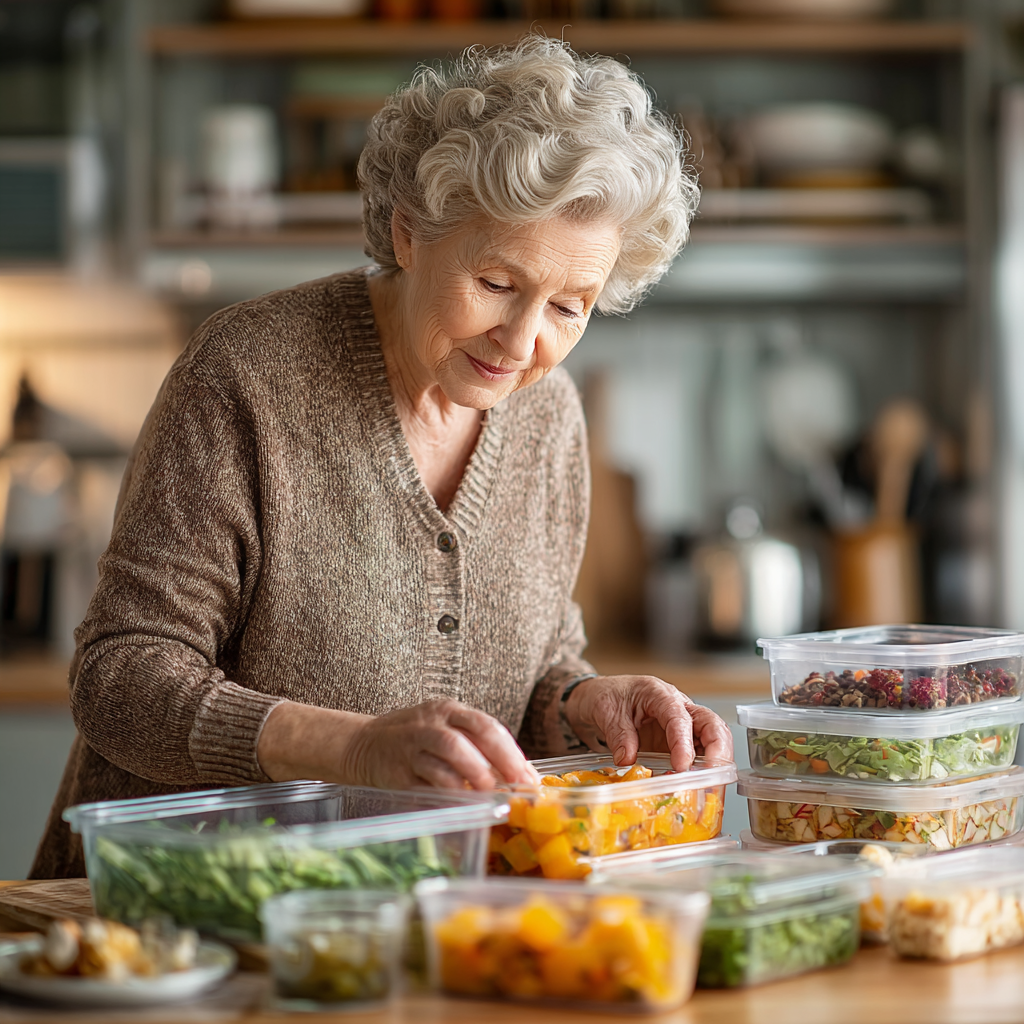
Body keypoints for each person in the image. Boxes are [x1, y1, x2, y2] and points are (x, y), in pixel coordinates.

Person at [32, 36, 732, 879]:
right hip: (176, 912)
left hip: (406, 922)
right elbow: (119, 680)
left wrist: (588, 705)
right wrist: (353, 747)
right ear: (409, 232)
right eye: (498, 285)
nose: (522, 341)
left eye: (570, 307)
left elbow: (530, 673)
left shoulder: (548, 413)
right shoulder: (248, 374)